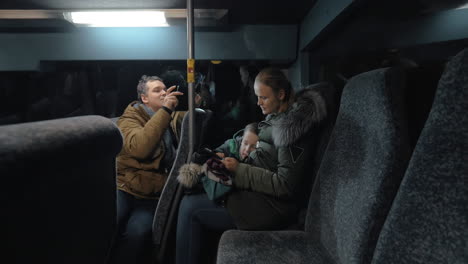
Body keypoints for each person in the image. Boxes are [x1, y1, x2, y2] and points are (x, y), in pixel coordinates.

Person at [175, 67, 328, 264]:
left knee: (190, 208)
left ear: (280, 94)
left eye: (263, 97)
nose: (258, 103)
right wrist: (248, 132)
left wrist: (239, 169)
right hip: (260, 194)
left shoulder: (292, 133)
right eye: (257, 97)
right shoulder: (279, 116)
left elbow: (285, 185)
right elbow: (263, 131)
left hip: (273, 207)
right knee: (194, 192)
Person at [108, 75, 184, 264]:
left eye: (164, 89)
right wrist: (166, 109)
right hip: (125, 187)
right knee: (110, 223)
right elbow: (141, 148)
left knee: (138, 232)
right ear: (144, 98)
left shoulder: (167, 117)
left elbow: (192, 116)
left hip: (150, 193)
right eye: (156, 90)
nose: (163, 92)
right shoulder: (129, 118)